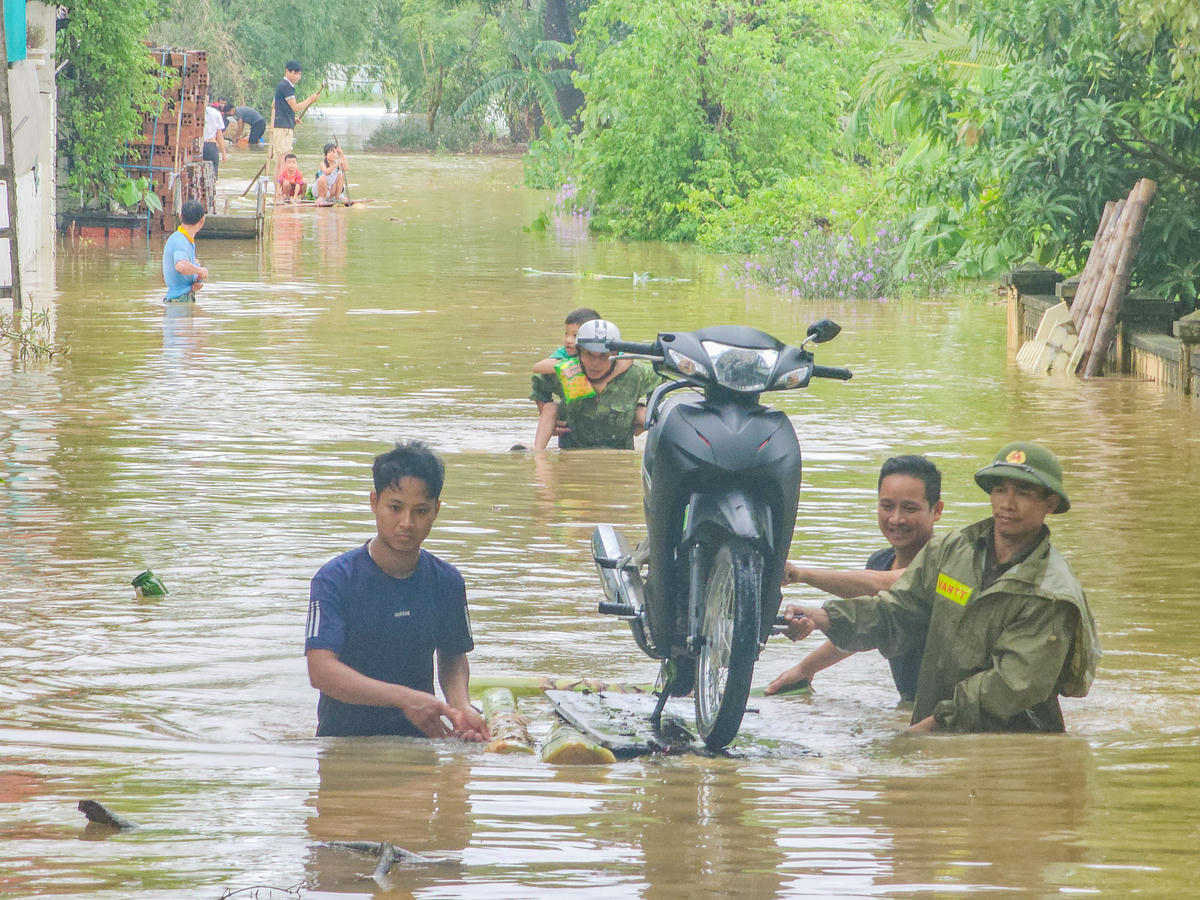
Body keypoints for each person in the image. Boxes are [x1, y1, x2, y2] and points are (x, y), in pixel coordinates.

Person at [779, 441, 1100, 733]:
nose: (1008, 503)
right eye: (1000, 489)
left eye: (1025, 493)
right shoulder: (953, 552)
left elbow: (1009, 686)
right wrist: (823, 618)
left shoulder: (1052, 592)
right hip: (939, 727)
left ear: (1050, 503)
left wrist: (925, 730)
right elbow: (899, 611)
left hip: (1015, 746)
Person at [304, 441, 491, 741]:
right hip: (344, 745)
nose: (406, 523)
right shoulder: (334, 579)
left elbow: (453, 656)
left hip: (422, 742)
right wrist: (405, 698)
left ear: (436, 511)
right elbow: (321, 671)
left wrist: (461, 707)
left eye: (420, 511)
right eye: (395, 508)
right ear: (373, 502)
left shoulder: (447, 580)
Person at [765, 455, 944, 700]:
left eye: (910, 508)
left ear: (937, 511)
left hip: (950, 707)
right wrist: (804, 669)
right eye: (887, 506)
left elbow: (893, 585)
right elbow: (865, 626)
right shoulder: (879, 562)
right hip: (911, 702)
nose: (896, 519)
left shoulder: (949, 564)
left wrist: (801, 574)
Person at [532, 319, 661, 450]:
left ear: (615, 354)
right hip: (572, 450)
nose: (595, 364)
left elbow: (659, 381)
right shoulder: (566, 372)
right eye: (589, 355)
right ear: (579, 352)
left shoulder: (634, 374)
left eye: (603, 356)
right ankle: (538, 453)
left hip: (619, 451)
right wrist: (547, 416)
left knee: (645, 413)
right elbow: (539, 381)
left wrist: (644, 423)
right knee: (550, 407)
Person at [529, 307, 601, 445]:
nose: (568, 340)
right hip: (573, 414)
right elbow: (538, 368)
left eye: (575, 336)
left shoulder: (605, 355)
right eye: (566, 334)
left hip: (605, 410)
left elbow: (625, 359)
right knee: (550, 408)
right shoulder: (565, 354)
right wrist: (577, 365)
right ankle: (537, 450)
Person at [271, 60, 324, 181]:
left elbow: (277, 105)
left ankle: (279, 193)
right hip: (283, 128)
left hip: (282, 125)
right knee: (283, 161)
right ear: (287, 71)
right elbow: (295, 107)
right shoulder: (286, 86)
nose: (297, 76)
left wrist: (291, 119)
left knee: (280, 162)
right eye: (294, 73)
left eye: (299, 74)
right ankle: (280, 194)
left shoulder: (283, 86)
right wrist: (310, 99)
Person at [161, 200, 208, 302]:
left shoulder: (182, 239)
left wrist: (194, 283)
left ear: (181, 216)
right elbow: (181, 266)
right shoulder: (181, 241)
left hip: (181, 298)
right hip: (179, 301)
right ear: (202, 221)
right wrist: (200, 270)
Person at [202, 96, 227, 180]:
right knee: (213, 176)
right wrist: (224, 152)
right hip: (211, 146)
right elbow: (219, 134)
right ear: (208, 99)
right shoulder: (215, 113)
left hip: (196, 146)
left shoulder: (193, 111)